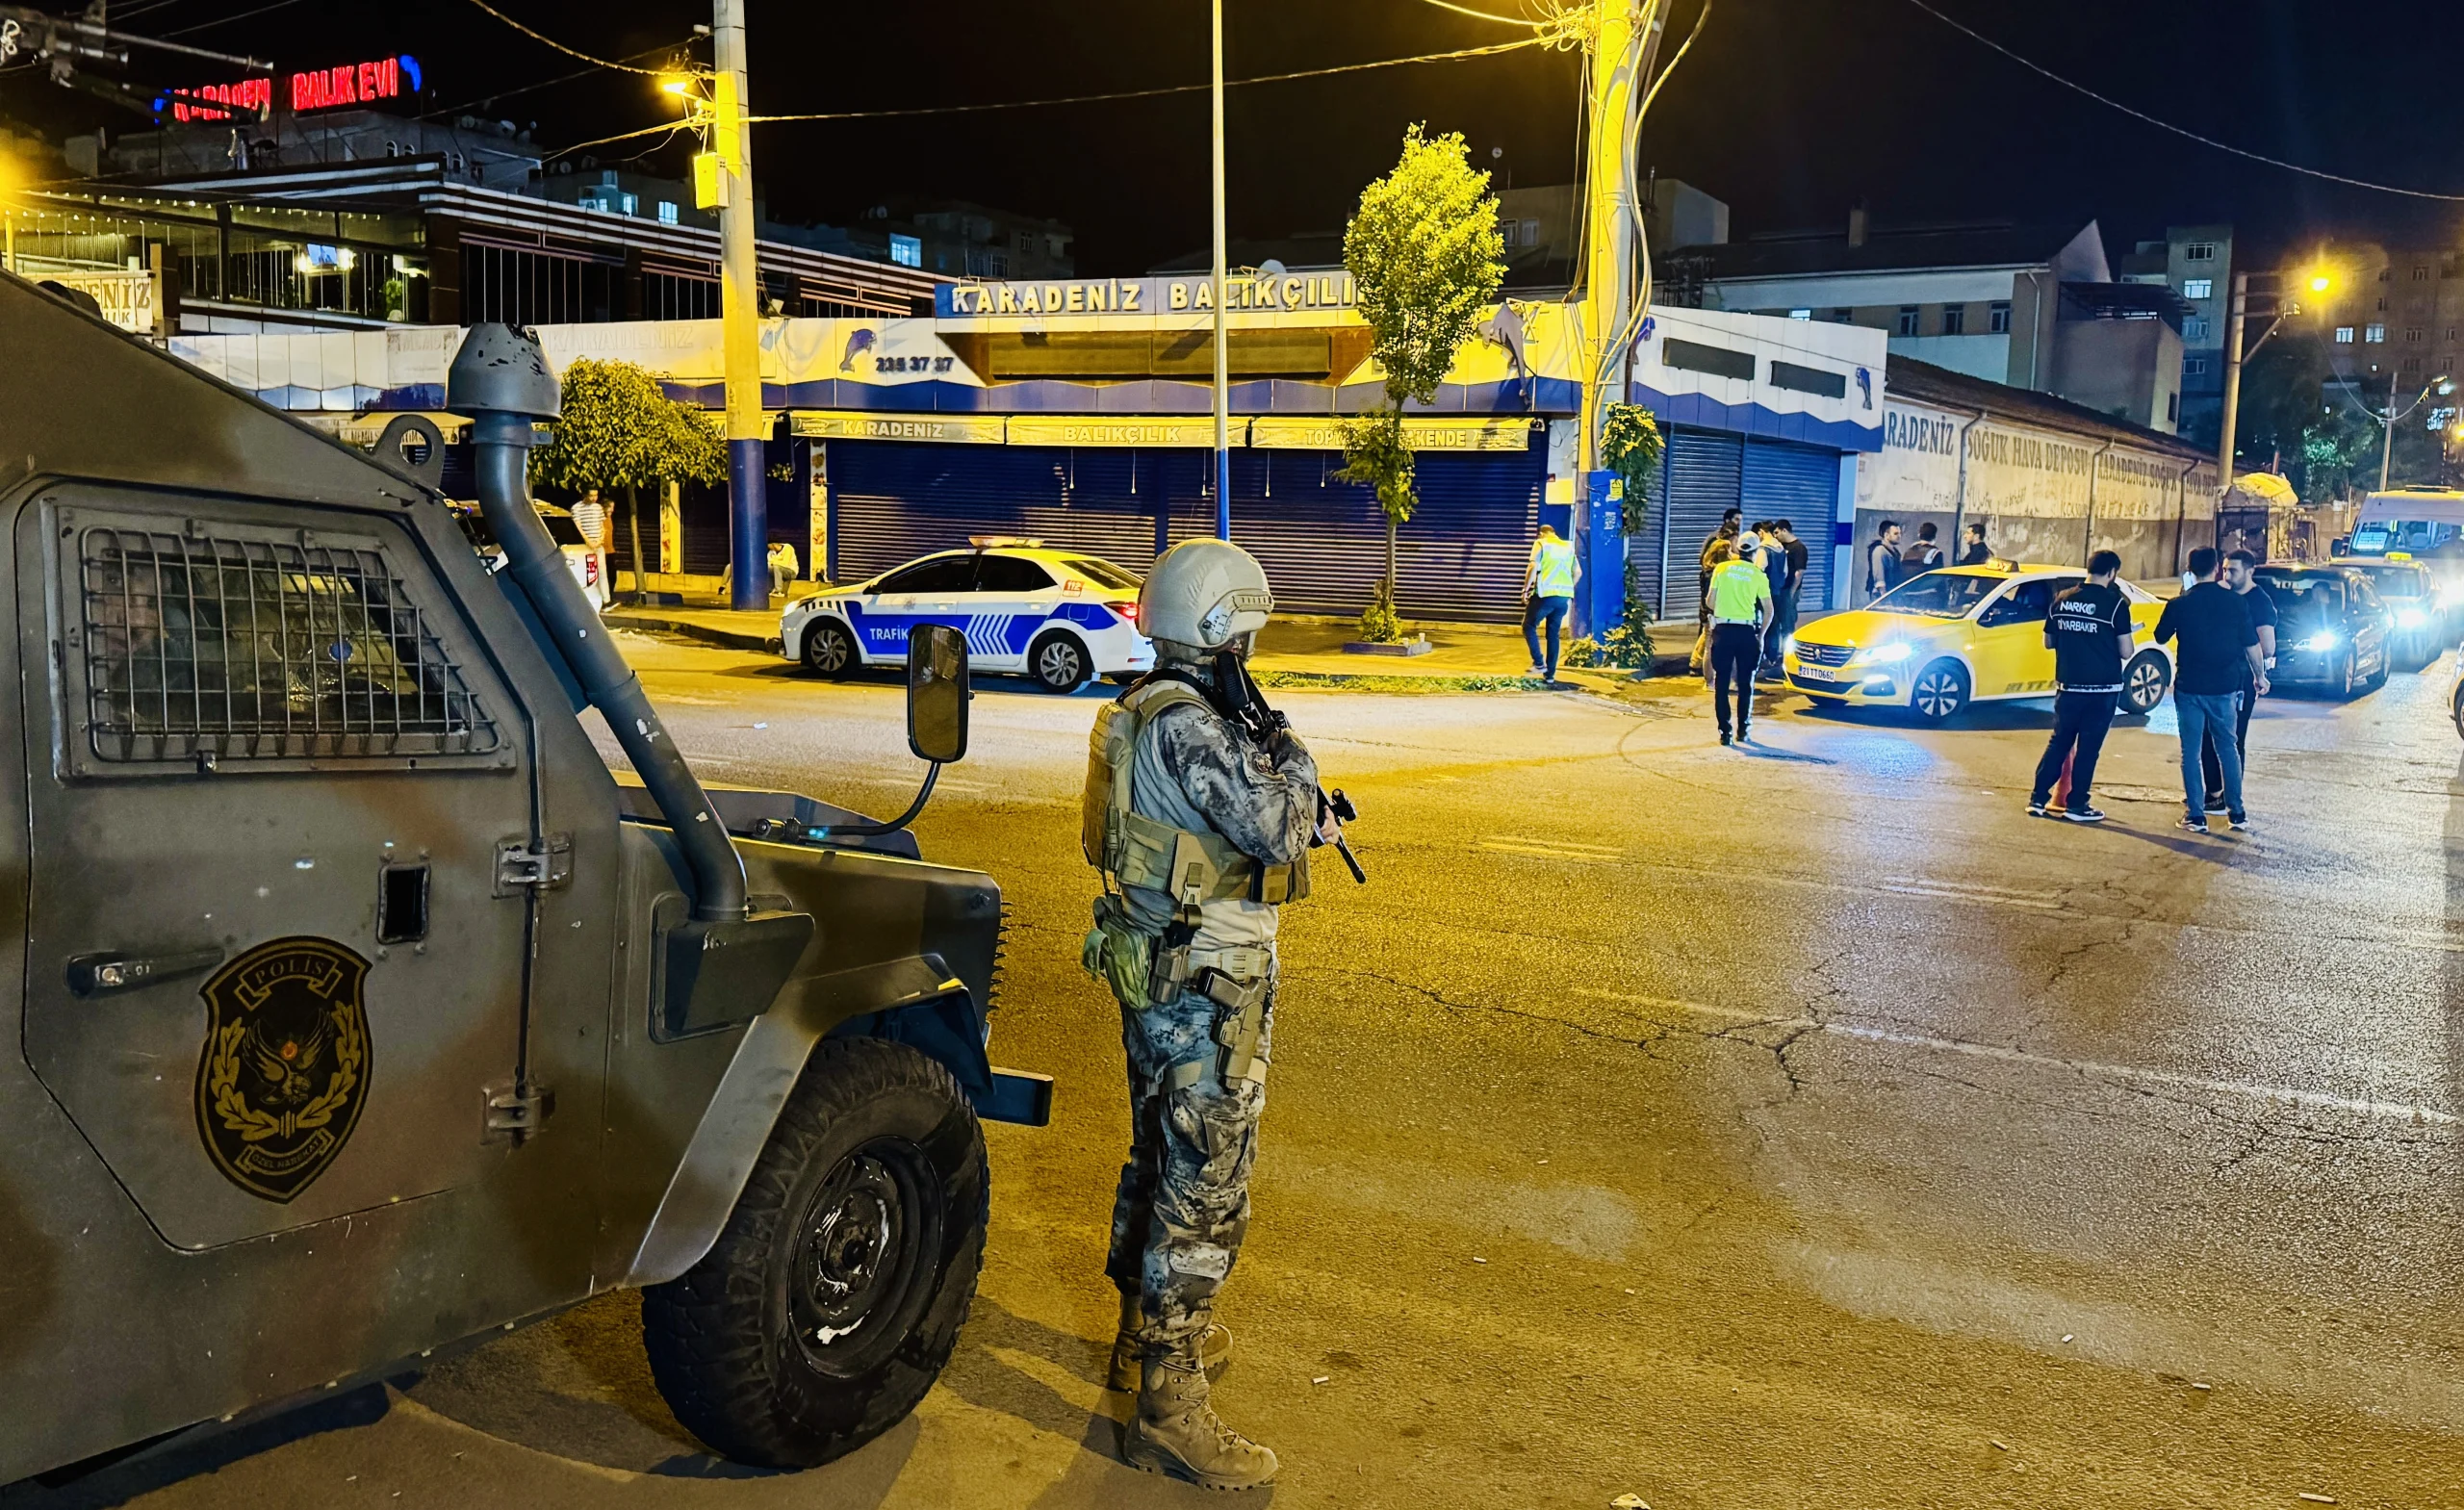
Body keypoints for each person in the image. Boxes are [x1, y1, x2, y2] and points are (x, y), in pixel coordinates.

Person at [1081, 537, 1337, 1491]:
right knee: (1202, 1190)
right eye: (1249, 635)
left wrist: (1277, 777)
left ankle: (1137, 1341)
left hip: (1160, 968)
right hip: (1205, 986)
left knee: (1156, 1156)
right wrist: (1295, 758)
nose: (1253, 653)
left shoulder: (1142, 708)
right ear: (1223, 626)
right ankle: (1171, 1407)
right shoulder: (1189, 725)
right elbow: (1272, 824)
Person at [2154, 547, 2267, 835]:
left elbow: (2160, 635)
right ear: (2217, 568)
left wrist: (2182, 597)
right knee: (2228, 748)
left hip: (2190, 687)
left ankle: (2196, 816)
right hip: (2225, 687)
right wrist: (2260, 677)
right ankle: (2237, 813)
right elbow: (2251, 645)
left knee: (2190, 752)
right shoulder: (2236, 603)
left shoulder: (2181, 604)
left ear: (2190, 571)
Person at [2029, 550, 2134, 822]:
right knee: (2088, 748)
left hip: (2068, 685)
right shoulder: (2115, 605)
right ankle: (2077, 805)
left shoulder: (2061, 599)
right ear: (2112, 573)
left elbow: (2048, 642)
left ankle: (2038, 798)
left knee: (2059, 742)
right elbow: (2126, 651)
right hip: (2102, 690)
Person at [2199, 549, 2277, 817]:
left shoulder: (2260, 602)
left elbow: (2267, 647)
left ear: (2250, 572)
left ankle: (2230, 798)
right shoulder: (2221, 595)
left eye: (2233, 570)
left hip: (2241, 680)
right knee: (2205, 736)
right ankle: (2213, 794)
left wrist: (2256, 672)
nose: (2227, 575)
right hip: (2213, 677)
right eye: (2225, 569)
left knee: (2233, 738)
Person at [1706, 530, 1773, 745]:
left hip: (1723, 631)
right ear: (1755, 551)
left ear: (1737, 549)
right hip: (1746, 633)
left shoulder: (1722, 569)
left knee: (1722, 683)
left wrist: (1724, 609)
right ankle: (1743, 729)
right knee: (1746, 683)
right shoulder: (1758, 575)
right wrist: (1760, 634)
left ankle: (1725, 732)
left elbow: (1710, 601)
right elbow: (1769, 610)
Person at [1689, 507, 1744, 674]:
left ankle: (1698, 665)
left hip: (1711, 600)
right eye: (1736, 520)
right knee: (1709, 633)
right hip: (1715, 601)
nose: (1739, 523)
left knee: (1708, 632)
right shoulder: (1720, 544)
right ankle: (1701, 667)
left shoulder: (1719, 554)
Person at [1523, 523, 1578, 680]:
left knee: (1528, 626)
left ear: (1541, 534)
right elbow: (1578, 572)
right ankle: (1550, 675)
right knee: (1553, 634)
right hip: (1563, 597)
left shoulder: (1541, 543)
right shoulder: (1568, 546)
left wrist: (1526, 590)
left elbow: (1533, 566)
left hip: (1545, 594)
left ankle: (1539, 663)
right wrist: (1566, 588)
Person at [1755, 522, 1789, 673]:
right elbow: (1785, 572)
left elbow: (1758, 570)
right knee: (1774, 625)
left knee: (1761, 625)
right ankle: (1773, 656)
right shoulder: (1780, 548)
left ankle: (1760, 656)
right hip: (1777, 591)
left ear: (1762, 532)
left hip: (1763, 592)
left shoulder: (1763, 549)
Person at [1865, 519, 1905, 601]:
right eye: (1896, 534)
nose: (1899, 536)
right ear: (1886, 535)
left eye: (1900, 533)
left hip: (1892, 593)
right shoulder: (1880, 551)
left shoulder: (1894, 552)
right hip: (1882, 596)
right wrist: (1885, 597)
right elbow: (1879, 577)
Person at [569, 487, 609, 553]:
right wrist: (588, 541)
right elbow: (578, 527)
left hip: (598, 545)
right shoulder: (576, 508)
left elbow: (602, 526)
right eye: (591, 496)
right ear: (585, 495)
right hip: (585, 545)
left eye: (596, 495)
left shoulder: (598, 507)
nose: (594, 498)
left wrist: (600, 540)